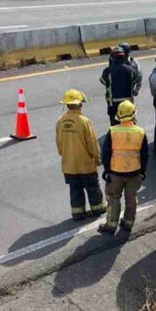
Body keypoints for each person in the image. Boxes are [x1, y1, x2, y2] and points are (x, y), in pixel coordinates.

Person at [98, 101, 149, 235]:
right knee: (131, 198)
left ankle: (111, 225)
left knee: (113, 198)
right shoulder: (140, 132)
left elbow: (106, 153)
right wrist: (142, 172)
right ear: (133, 115)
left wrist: (107, 170)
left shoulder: (113, 131)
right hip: (134, 173)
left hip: (115, 172)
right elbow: (144, 155)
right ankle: (128, 223)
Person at [55, 89, 106, 221]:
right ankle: (97, 208)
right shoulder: (84, 121)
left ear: (66, 104)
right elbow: (92, 143)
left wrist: (65, 155)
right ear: (79, 104)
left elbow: (59, 144)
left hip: (69, 165)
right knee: (92, 187)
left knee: (75, 189)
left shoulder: (60, 121)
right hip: (85, 164)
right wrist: (97, 157)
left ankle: (78, 212)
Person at [100, 47, 138, 126]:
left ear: (112, 58)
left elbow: (103, 81)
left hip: (113, 103)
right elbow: (135, 80)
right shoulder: (130, 70)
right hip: (128, 102)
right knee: (130, 123)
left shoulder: (108, 70)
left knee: (115, 125)